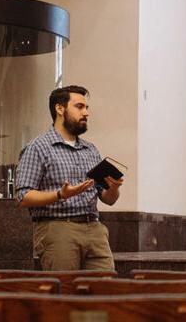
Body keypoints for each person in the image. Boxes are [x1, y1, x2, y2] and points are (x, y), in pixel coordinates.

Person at [15, 85, 124, 271]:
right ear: (60, 109)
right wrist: (60, 195)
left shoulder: (90, 150)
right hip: (58, 229)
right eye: (79, 107)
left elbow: (108, 199)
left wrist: (113, 188)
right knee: (65, 293)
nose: (86, 113)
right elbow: (23, 197)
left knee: (105, 291)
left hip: (95, 229)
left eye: (87, 108)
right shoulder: (38, 147)